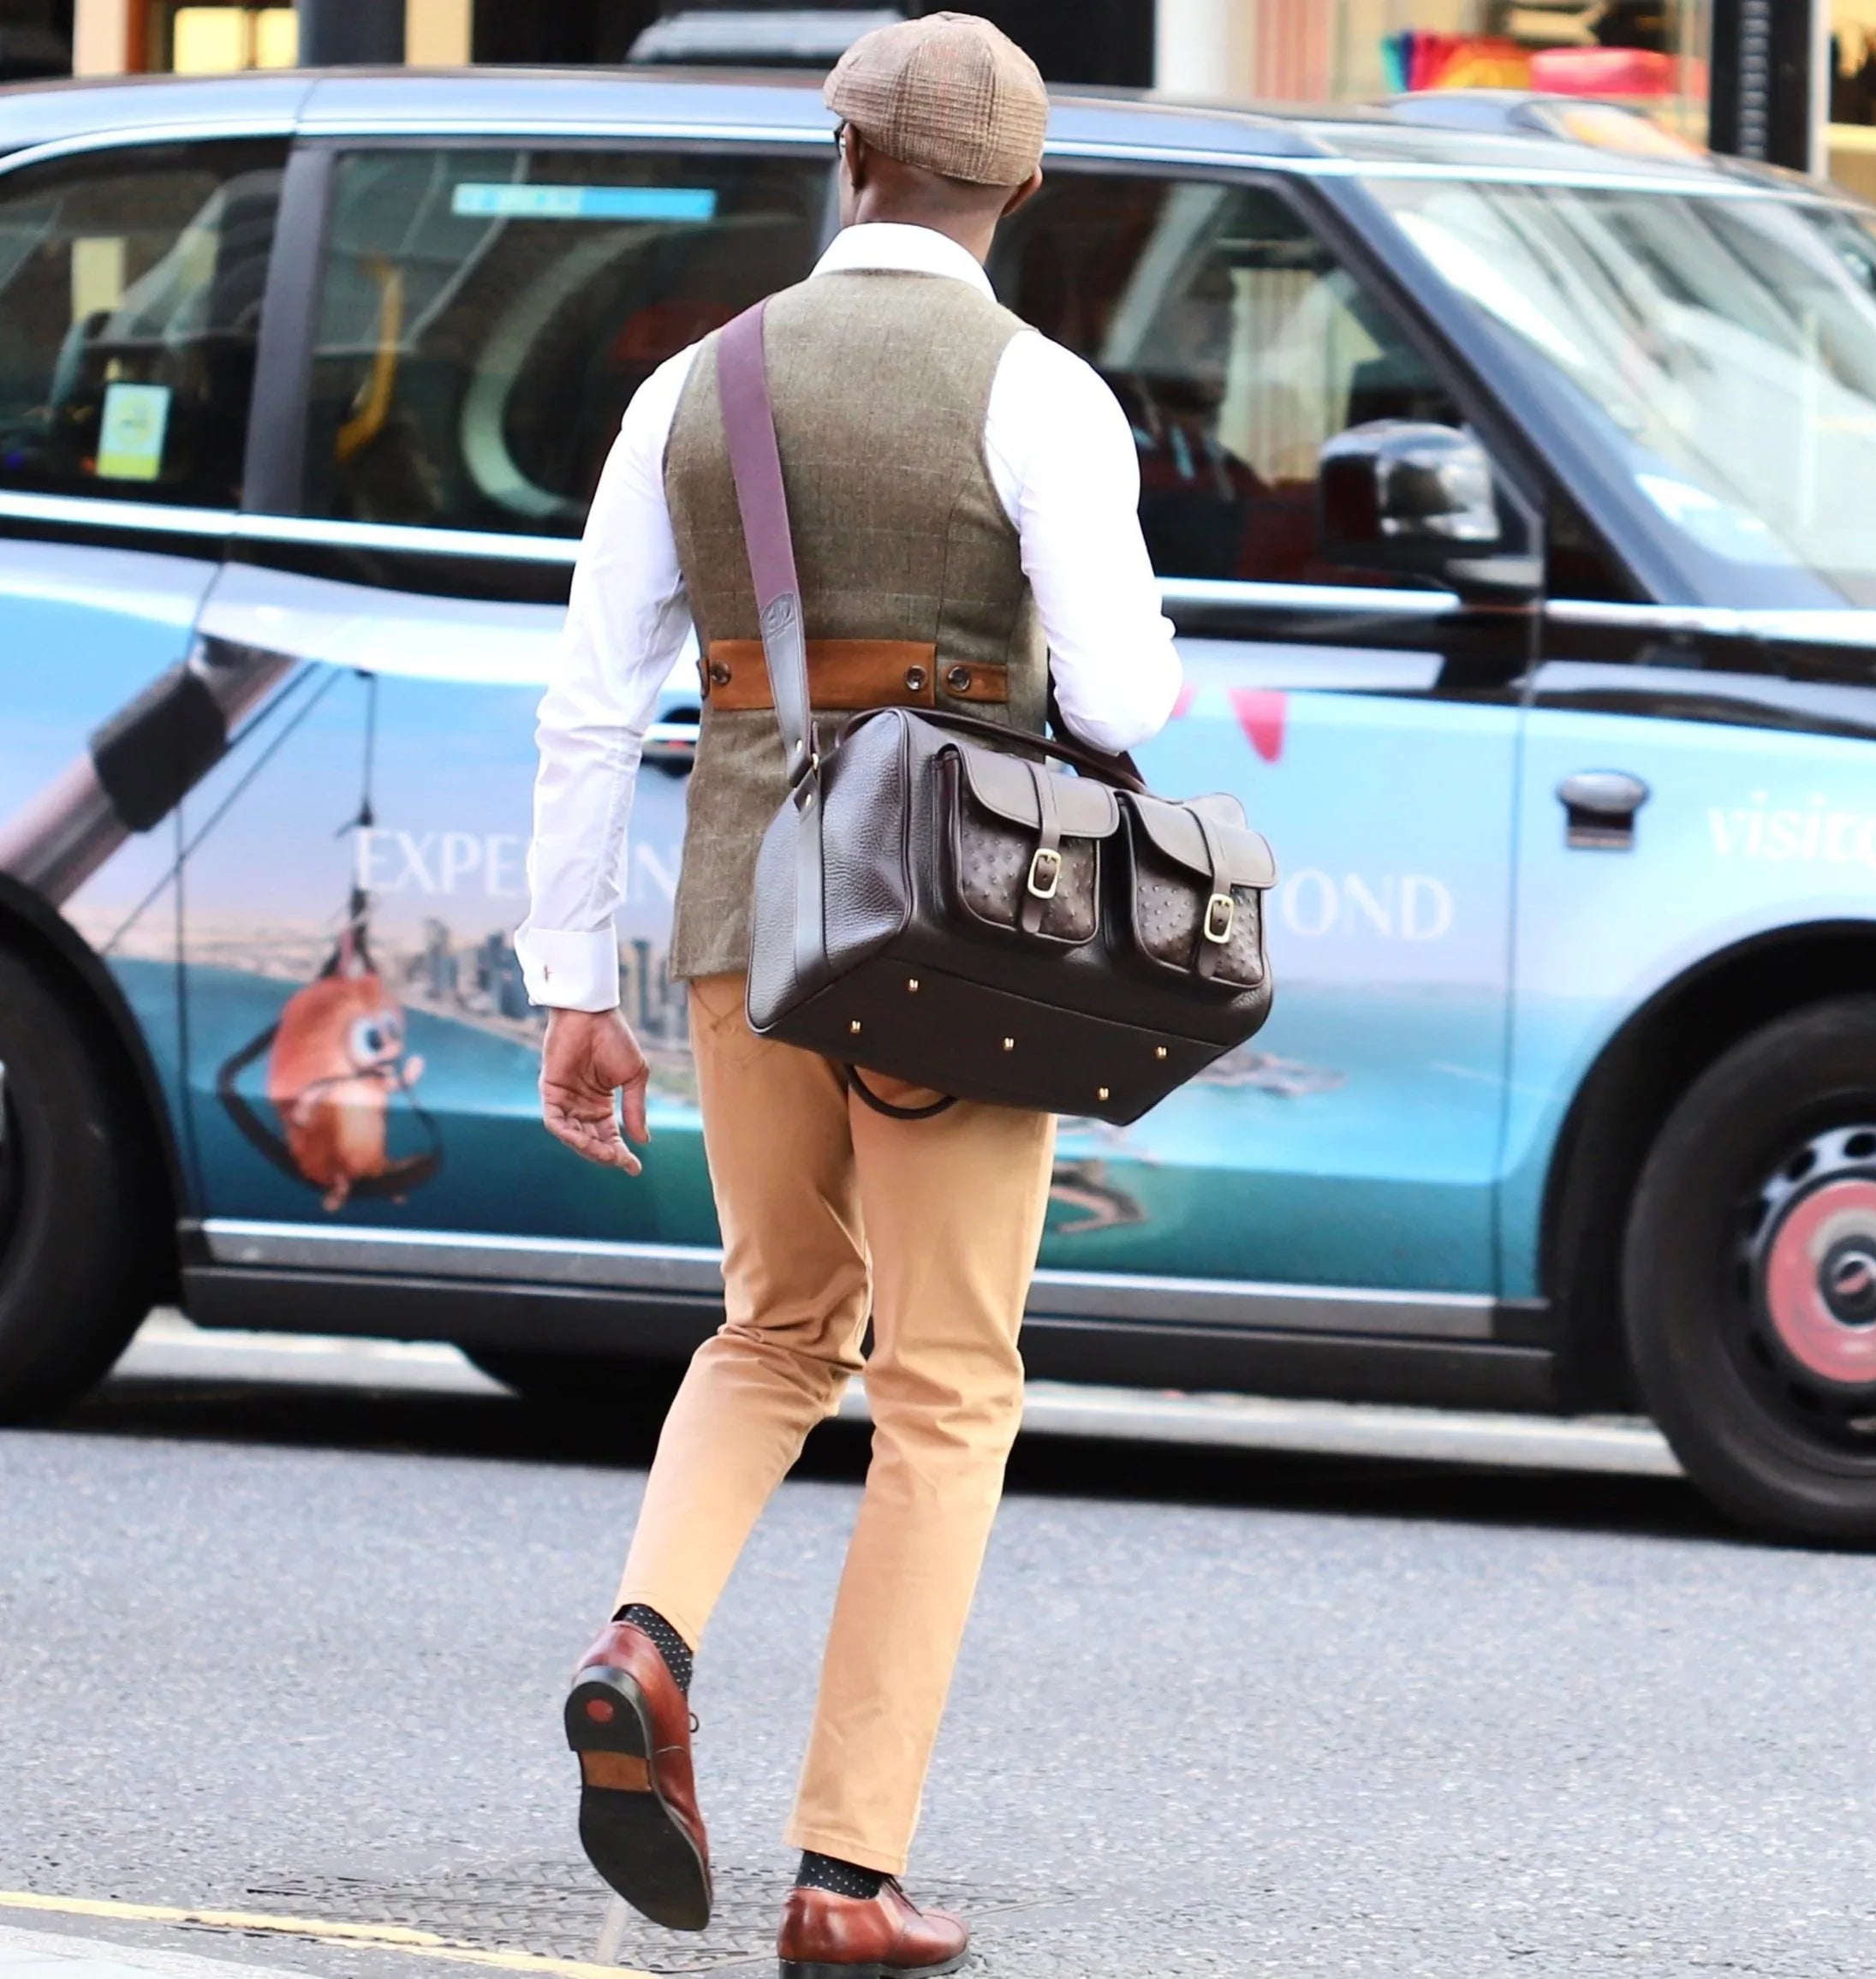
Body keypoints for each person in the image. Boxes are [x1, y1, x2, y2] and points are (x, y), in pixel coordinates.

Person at [513, 15, 1182, 1976]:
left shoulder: (693, 392)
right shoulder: (1042, 391)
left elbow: (587, 700)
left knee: (770, 1325)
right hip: (955, 931)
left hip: (745, 918)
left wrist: (576, 981)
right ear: (1021, 191)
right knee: (948, 1384)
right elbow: (1127, 701)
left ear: (845, 157)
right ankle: (845, 1873)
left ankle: (644, 1637)